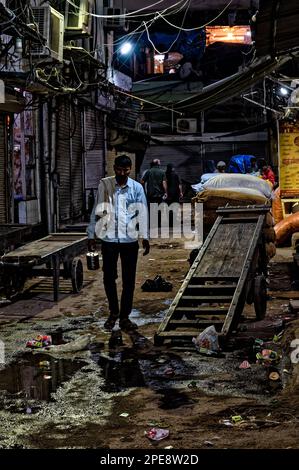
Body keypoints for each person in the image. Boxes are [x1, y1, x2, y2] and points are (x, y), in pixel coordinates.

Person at [87, 155, 150, 332]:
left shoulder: (137, 187)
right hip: (109, 240)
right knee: (109, 278)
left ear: (130, 169)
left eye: (126, 170)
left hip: (130, 240)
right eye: (119, 170)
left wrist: (145, 237)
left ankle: (124, 317)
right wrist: (91, 234)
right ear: (114, 168)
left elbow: (142, 212)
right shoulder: (105, 185)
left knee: (129, 280)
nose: (122, 173)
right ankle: (113, 312)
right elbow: (96, 210)